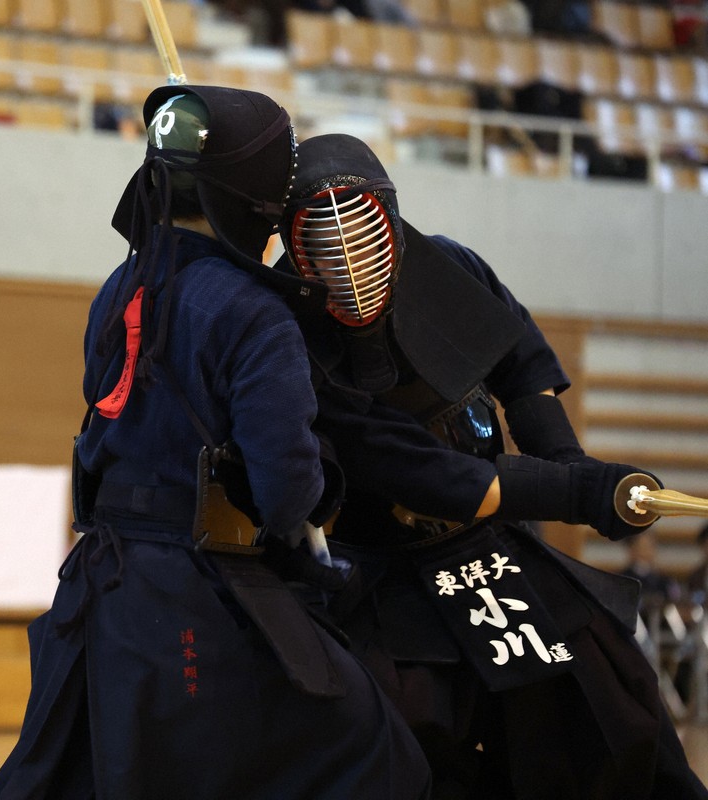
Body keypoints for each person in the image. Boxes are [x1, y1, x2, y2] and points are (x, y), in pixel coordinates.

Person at [0, 89, 431, 800]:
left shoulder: (118, 287)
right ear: (259, 201)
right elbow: (286, 495)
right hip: (199, 600)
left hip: (102, 591)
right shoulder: (256, 314)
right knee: (373, 757)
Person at [275, 132, 708, 800]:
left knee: (609, 690)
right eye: (324, 243)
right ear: (294, 245)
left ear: (388, 216)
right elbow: (427, 475)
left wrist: (564, 458)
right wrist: (574, 490)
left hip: (492, 547)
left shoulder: (449, 267)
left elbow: (522, 370)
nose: (349, 260)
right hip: (381, 571)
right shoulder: (287, 331)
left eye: (359, 231)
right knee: (406, 733)